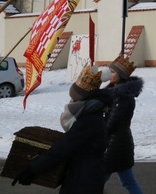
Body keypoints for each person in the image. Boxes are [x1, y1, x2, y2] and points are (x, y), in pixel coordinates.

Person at [12, 64, 111, 193]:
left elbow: (61, 150)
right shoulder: (92, 115)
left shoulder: (88, 121)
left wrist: (32, 169)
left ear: (82, 99)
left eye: (74, 97)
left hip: (83, 182)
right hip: (85, 177)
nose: (70, 100)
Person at [103, 55, 144, 194]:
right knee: (128, 182)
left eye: (113, 72)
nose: (109, 74)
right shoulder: (115, 93)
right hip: (121, 145)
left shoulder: (123, 98)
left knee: (96, 180)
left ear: (120, 75)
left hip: (115, 146)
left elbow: (112, 124)